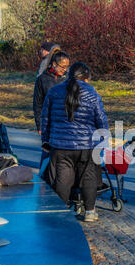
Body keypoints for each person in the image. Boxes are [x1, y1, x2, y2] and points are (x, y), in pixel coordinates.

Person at [41, 62, 109, 222]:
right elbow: (101, 119)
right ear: (86, 77)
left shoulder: (54, 92)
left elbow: (46, 119)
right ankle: (90, 212)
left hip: (60, 145)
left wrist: (46, 140)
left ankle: (61, 212)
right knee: (89, 177)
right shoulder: (92, 94)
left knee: (63, 178)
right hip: (87, 145)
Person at [33, 51, 70, 136]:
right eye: (63, 67)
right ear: (54, 64)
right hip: (49, 122)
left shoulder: (69, 78)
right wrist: (39, 125)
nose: (65, 70)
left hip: (66, 122)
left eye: (67, 67)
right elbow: (37, 104)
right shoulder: (42, 79)